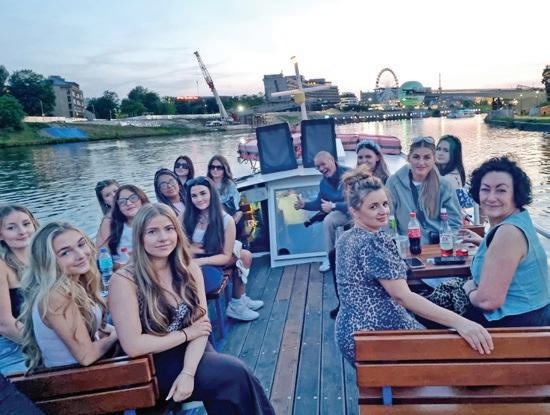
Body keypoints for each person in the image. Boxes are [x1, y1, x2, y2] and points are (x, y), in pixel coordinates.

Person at [108, 204, 275, 413]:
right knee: (234, 374)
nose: (163, 238)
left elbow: (201, 327)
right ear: (140, 237)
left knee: (228, 381)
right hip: (153, 362)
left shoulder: (189, 269)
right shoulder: (124, 281)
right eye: (152, 232)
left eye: (169, 229)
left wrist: (188, 372)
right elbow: (134, 345)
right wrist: (187, 334)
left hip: (194, 349)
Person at [334, 166, 493, 364]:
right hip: (378, 335)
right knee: (455, 352)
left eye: (385, 204)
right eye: (373, 207)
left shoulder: (346, 238)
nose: (383, 211)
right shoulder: (374, 241)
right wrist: (461, 323)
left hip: (350, 331)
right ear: (354, 211)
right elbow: (402, 296)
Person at [460, 156, 550, 326]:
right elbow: (509, 255)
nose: (491, 197)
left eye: (501, 190)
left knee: (423, 316)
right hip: (534, 315)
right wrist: (483, 243)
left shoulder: (508, 233)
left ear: (516, 194)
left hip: (517, 326)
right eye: (485, 189)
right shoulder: (517, 220)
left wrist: (469, 288)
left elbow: (488, 302)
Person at [19, 222, 118, 371]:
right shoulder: (56, 295)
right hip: (74, 378)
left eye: (81, 244)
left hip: (87, 372)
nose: (80, 255)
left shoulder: (76, 282)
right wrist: (116, 335)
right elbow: (86, 356)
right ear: (48, 261)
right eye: (65, 253)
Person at [183, 176, 263, 322]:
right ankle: (239, 301)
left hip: (211, 258)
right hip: (191, 260)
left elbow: (225, 255)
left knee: (245, 256)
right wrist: (190, 249)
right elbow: (175, 242)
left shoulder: (225, 219)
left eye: (203, 193)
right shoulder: (185, 216)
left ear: (211, 193)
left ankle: (238, 302)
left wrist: (200, 259)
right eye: (194, 196)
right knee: (243, 256)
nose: (199, 199)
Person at [386, 136, 462, 244]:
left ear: (434, 159)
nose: (421, 163)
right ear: (409, 158)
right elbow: (387, 219)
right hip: (407, 247)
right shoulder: (394, 183)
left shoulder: (445, 186)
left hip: (438, 246)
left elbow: (454, 224)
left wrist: (444, 244)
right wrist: (397, 245)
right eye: (416, 157)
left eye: (427, 157)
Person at [294, 151, 351, 272]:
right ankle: (330, 258)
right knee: (328, 220)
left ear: (332, 160)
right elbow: (319, 204)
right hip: (344, 213)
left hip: (360, 212)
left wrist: (334, 205)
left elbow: (358, 202)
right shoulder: (323, 184)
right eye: (318, 167)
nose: (321, 169)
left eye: (323, 164)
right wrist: (304, 205)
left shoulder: (350, 174)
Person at [0, 205, 39, 375]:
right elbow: (4, 325)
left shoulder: (43, 259)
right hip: (14, 345)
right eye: (11, 228)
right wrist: (47, 345)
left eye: (26, 224)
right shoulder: (2, 267)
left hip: (47, 336)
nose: (22, 231)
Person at [106, 185, 150, 268]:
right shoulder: (112, 226)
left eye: (133, 198)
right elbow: (103, 257)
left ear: (142, 199)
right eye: (122, 201)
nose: (129, 203)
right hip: (120, 271)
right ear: (118, 207)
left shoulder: (153, 224)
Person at [206, 155, 243, 229]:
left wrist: (237, 214)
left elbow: (235, 205)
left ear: (224, 169)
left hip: (229, 216)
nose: (215, 170)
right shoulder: (206, 184)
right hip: (213, 218)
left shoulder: (230, 184)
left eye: (219, 167)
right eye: (212, 167)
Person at [94, 179, 119, 248]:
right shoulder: (108, 221)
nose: (114, 195)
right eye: (107, 195)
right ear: (104, 201)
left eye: (115, 191)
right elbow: (102, 249)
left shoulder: (131, 210)